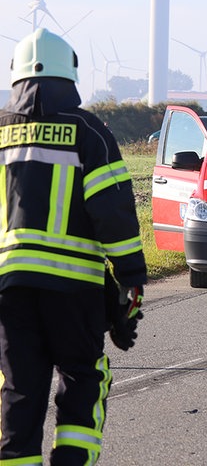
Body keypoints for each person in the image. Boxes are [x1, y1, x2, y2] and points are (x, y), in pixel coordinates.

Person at [0, 28, 147, 466]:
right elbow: (114, 213)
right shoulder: (90, 132)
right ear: (71, 73)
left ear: (16, 75)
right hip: (74, 289)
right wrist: (131, 277)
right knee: (83, 376)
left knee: (18, 387)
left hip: (11, 287)